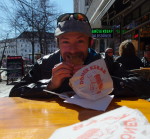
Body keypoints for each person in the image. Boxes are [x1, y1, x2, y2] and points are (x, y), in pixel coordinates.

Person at [9, 13, 150, 98]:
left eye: (80, 41)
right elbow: (15, 92)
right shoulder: (44, 64)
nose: (72, 50)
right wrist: (50, 84)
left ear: (90, 43)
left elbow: (144, 86)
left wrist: (105, 82)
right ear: (58, 44)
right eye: (65, 42)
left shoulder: (104, 63)